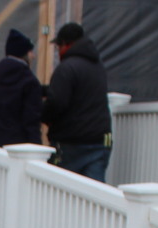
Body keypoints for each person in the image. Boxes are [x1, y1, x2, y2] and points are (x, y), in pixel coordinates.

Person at [41, 22, 113, 182]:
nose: (58, 51)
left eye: (58, 46)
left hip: (70, 143)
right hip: (100, 141)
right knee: (93, 196)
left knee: (61, 192)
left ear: (66, 44)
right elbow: (82, 93)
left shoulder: (66, 68)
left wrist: (39, 114)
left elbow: (57, 102)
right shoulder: (98, 66)